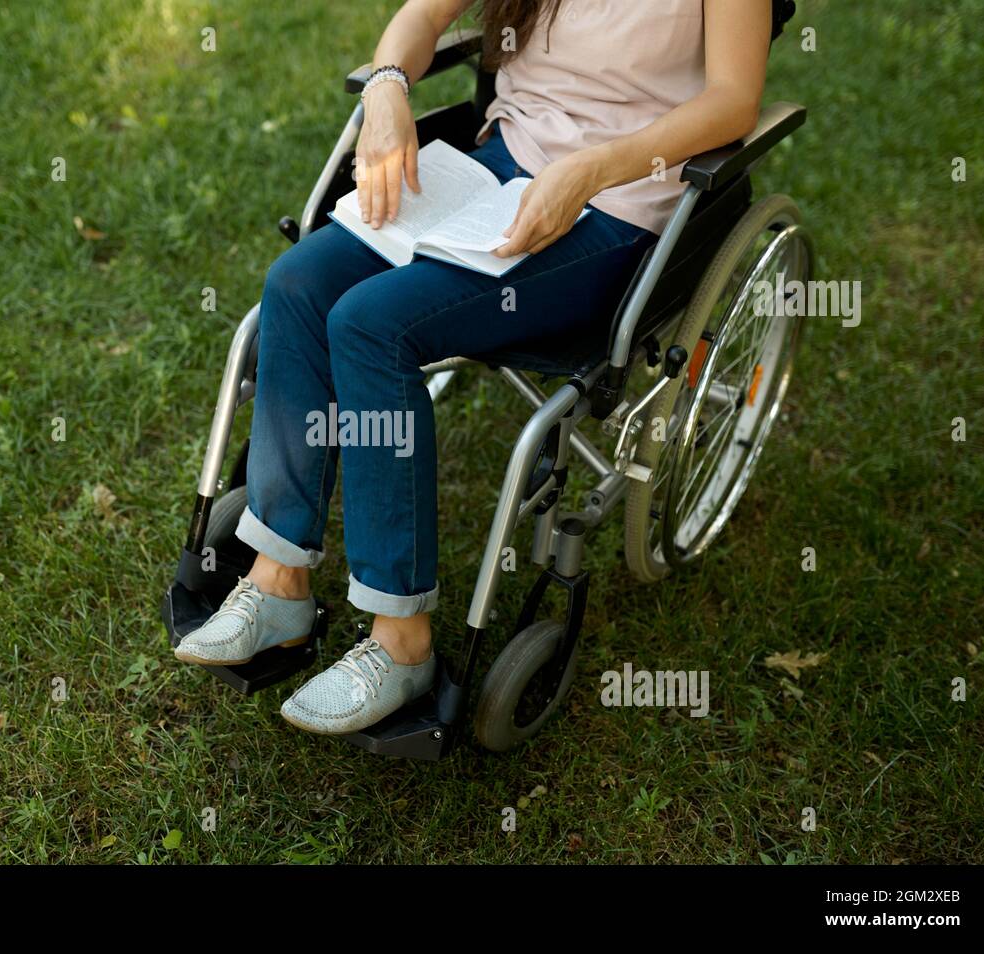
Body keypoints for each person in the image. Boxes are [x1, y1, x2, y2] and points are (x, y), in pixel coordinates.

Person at [174, 0, 772, 735]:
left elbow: (733, 100)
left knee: (371, 326)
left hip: (617, 213)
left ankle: (401, 644)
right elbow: (422, 15)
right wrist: (388, 87)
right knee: (297, 286)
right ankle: (277, 582)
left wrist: (594, 168)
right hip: (496, 171)